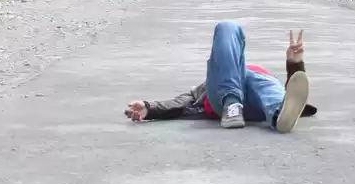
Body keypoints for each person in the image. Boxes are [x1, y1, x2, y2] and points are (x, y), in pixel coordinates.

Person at [125, 22, 316, 133]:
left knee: (259, 81)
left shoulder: (257, 76)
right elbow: (184, 101)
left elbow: (294, 94)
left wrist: (294, 64)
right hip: (223, 101)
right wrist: (150, 109)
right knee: (227, 27)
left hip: (261, 103)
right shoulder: (215, 80)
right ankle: (234, 104)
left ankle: (278, 115)